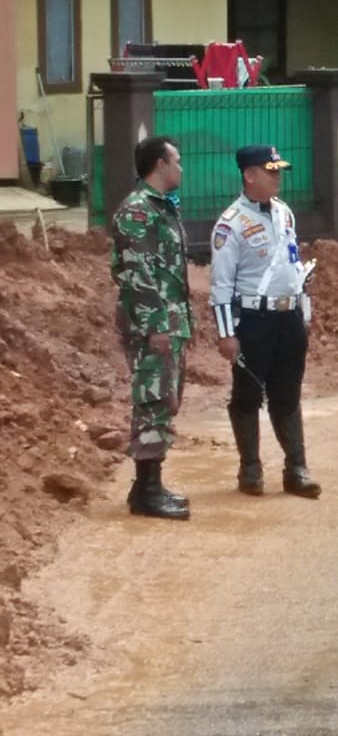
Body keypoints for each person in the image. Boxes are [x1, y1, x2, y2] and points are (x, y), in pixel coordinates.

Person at [209, 145, 321, 499]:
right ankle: (250, 468)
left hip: (288, 318)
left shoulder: (284, 213)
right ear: (249, 175)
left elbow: (291, 263)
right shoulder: (230, 224)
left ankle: (297, 468)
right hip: (254, 321)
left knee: (288, 393)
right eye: (270, 170)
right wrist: (226, 334)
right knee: (247, 395)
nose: (277, 176)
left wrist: (303, 310)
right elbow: (221, 285)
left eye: (279, 170)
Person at [109, 135, 192, 521]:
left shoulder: (161, 207)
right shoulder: (138, 211)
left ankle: (146, 487)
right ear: (159, 164)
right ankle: (147, 493)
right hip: (152, 326)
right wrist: (158, 326)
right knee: (152, 402)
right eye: (176, 161)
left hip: (169, 322)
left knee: (163, 401)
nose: (181, 167)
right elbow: (137, 275)